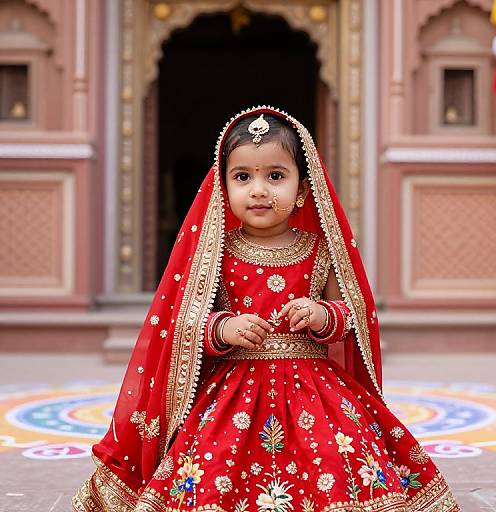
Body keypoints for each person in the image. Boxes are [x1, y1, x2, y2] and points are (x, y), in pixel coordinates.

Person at [73, 107, 459, 511]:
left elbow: (354, 317)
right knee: (212, 466)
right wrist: (224, 328)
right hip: (232, 394)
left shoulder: (321, 250)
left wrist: (322, 315)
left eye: (275, 176)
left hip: (315, 392)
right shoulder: (215, 254)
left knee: (333, 456)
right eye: (243, 177)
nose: (258, 189)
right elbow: (184, 324)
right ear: (224, 188)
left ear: (303, 191)